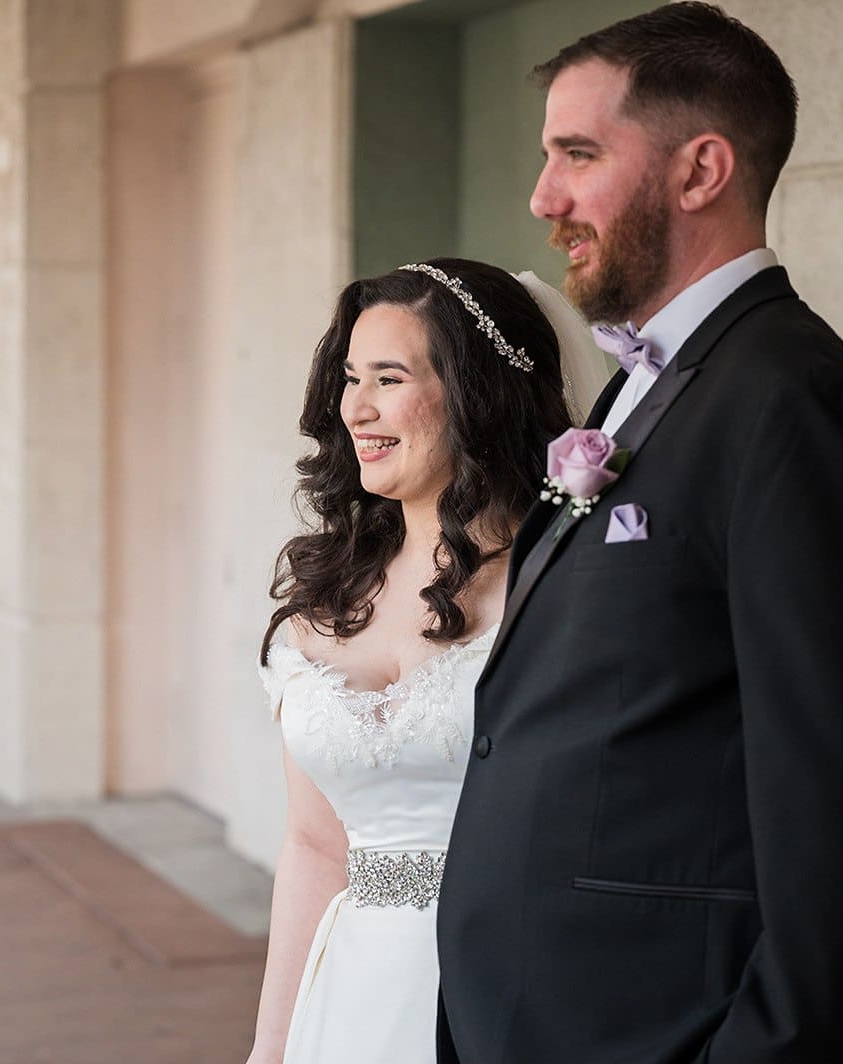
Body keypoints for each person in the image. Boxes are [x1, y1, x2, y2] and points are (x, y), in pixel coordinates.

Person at [435, 6, 843, 1062]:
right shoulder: (644, 383)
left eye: (578, 154)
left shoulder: (793, 404)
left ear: (700, 170)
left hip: (663, 1027)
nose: (543, 198)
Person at [247, 258, 610, 1064]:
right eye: (350, 378)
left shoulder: (563, 590)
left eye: (389, 377)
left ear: (476, 393)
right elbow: (314, 846)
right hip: (351, 1000)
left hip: (513, 993)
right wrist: (272, 1045)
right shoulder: (325, 595)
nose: (358, 409)